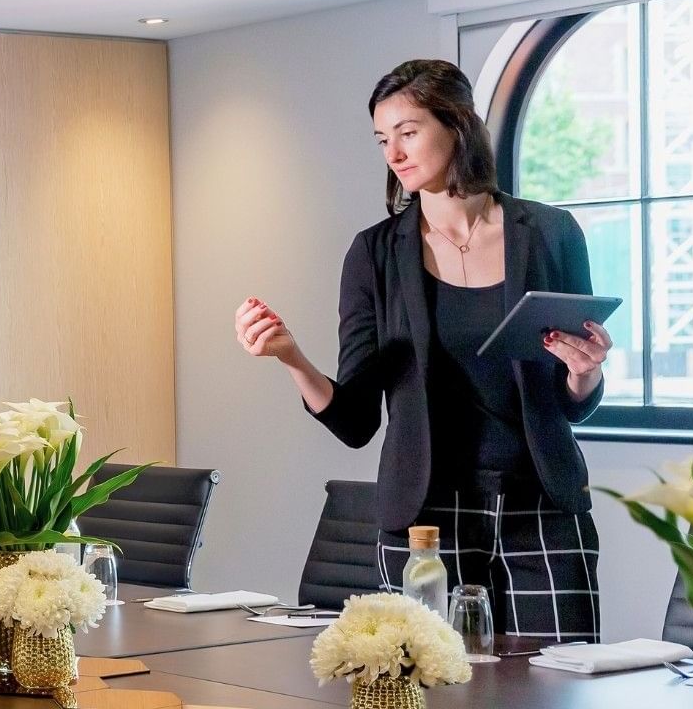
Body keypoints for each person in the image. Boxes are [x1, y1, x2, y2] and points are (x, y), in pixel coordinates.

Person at [233, 59, 612, 640]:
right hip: (426, 515)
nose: (394, 152)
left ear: (456, 125)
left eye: (408, 132)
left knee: (562, 685)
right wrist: (291, 357)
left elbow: (572, 400)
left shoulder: (553, 234)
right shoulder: (375, 255)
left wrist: (584, 375)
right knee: (432, 691)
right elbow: (357, 418)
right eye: (383, 139)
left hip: (544, 507)